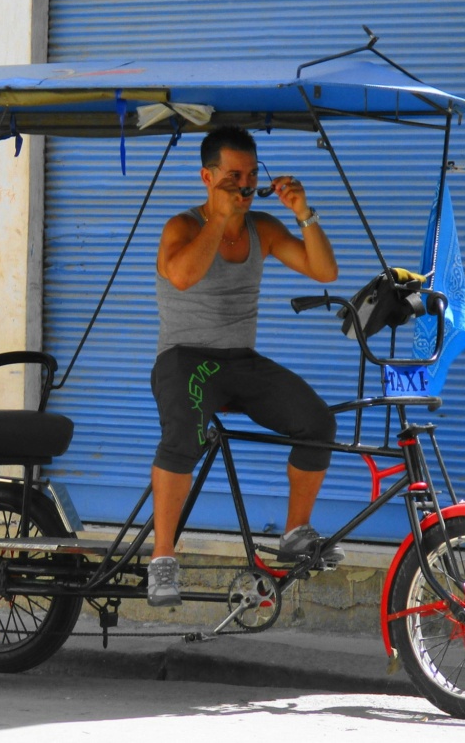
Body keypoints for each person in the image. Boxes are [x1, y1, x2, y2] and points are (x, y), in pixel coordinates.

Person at [148, 126, 343, 607]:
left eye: (252, 175)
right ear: (207, 177)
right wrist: (219, 218)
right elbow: (183, 276)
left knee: (318, 421)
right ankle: (163, 557)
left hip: (240, 361)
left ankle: (296, 532)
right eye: (234, 176)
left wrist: (303, 214)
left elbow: (325, 272)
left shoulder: (264, 229)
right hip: (185, 359)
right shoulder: (182, 227)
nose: (246, 185)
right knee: (184, 437)